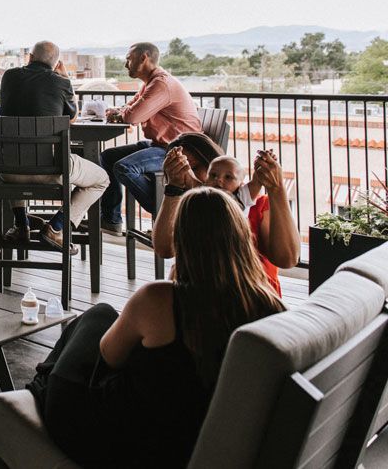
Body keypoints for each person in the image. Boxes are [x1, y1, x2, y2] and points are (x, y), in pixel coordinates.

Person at [27, 187, 285, 468]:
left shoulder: (160, 299)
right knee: (106, 319)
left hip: (118, 442)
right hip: (185, 442)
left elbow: (108, 357)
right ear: (242, 237)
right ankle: (44, 377)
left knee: (97, 315)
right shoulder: (270, 306)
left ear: (183, 240)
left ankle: (42, 380)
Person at [0, 41, 109, 253]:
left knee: (18, 154)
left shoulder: (9, 77)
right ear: (56, 63)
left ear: (29, 57)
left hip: (9, 171)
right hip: (51, 170)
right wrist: (65, 78)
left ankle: (22, 226)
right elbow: (73, 118)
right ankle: (57, 227)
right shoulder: (60, 82)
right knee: (101, 179)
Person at [153, 147, 300, 296]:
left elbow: (287, 259)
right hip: (199, 295)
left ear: (241, 183)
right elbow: (164, 249)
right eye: (213, 175)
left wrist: (274, 182)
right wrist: (174, 187)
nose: (219, 180)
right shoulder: (193, 203)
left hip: (250, 295)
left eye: (228, 177)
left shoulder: (253, 203)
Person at [99, 42, 201, 233]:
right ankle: (111, 220)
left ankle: (169, 213)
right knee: (108, 156)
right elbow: (129, 108)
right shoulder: (150, 83)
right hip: (162, 145)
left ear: (144, 58)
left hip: (178, 150)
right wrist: (121, 112)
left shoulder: (161, 84)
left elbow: (133, 116)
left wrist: (122, 113)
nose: (125, 64)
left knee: (124, 167)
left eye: (129, 59)